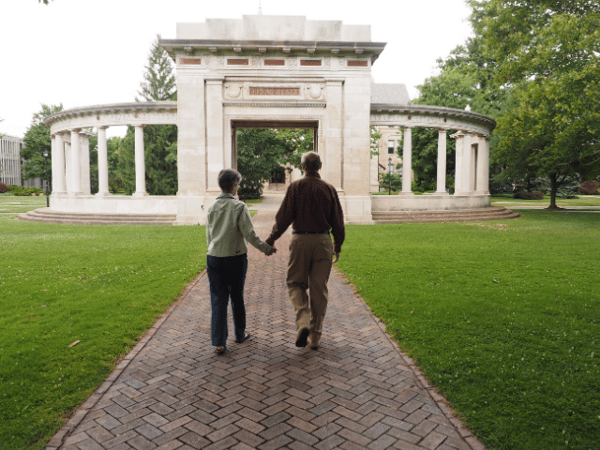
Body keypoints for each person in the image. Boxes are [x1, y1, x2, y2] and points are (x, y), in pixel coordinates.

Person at [266, 152, 345, 350]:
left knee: (295, 283)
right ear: (320, 166)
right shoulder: (329, 189)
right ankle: (315, 337)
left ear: (302, 167)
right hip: (323, 241)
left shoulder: (295, 187)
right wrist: (338, 245)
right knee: (319, 289)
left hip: (300, 240)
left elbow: (283, 217)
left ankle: (303, 321)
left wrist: (271, 239)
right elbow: (338, 220)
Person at [206, 168, 276, 355]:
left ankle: (219, 342)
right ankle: (239, 333)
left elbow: (209, 235)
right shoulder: (239, 207)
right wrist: (266, 248)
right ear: (235, 185)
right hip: (235, 258)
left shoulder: (211, 207)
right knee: (237, 297)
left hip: (214, 257)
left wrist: (213, 249)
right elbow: (249, 234)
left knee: (218, 300)